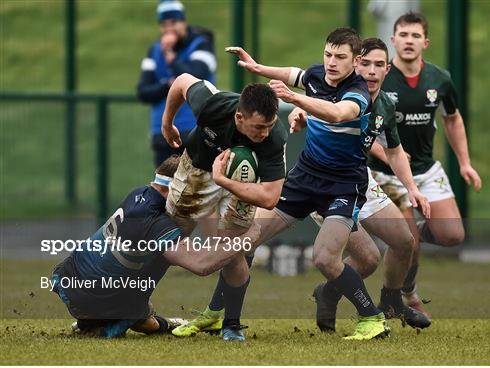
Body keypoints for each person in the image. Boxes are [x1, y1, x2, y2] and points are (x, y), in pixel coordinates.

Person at [177, 28, 428, 341]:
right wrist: (258, 68)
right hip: (304, 179)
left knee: (327, 258)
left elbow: (339, 114)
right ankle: (218, 315)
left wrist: (295, 100)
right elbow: (296, 73)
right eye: (328, 55)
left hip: (342, 186)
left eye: (340, 57)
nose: (332, 62)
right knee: (244, 240)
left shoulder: (359, 92)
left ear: (355, 61)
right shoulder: (319, 75)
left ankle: (373, 317)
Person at [297, 37, 430, 332]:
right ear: (356, 64)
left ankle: (391, 300)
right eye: (366, 63)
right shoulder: (341, 92)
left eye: (378, 65)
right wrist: (300, 113)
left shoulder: (383, 105)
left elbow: (394, 151)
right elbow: (315, 103)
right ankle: (336, 297)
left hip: (359, 178)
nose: (371, 70)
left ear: (388, 70)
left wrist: (413, 188)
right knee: (368, 259)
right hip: (329, 184)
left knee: (404, 241)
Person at [51, 155, 260, 338]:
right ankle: (108, 323)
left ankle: (91, 320)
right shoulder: (155, 223)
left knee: (155, 262)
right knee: (146, 318)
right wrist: (249, 237)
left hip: (65, 280)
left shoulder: (139, 194)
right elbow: (201, 265)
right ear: (175, 190)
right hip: (91, 300)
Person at [368, 12, 482, 317]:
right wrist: (385, 152)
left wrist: (465, 163)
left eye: (415, 36)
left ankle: (414, 233)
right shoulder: (379, 78)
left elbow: (452, 118)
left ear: (425, 42)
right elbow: (360, 126)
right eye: (403, 35)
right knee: (410, 245)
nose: (408, 41)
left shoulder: (440, 79)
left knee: (453, 236)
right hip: (387, 172)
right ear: (393, 40)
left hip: (426, 169)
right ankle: (408, 293)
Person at [161, 74, 288, 341]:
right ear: (239, 117)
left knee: (231, 249)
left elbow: (269, 198)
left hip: (244, 184)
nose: (265, 133)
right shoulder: (214, 105)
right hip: (197, 169)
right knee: (165, 236)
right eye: (259, 127)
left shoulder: (274, 137)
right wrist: (167, 122)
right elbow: (182, 81)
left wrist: (223, 180)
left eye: (270, 125)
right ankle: (132, 308)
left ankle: (231, 323)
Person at [137, 0, 217, 167]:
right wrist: (168, 85)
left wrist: (171, 57)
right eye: (164, 25)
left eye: (173, 23)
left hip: (196, 131)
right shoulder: (154, 51)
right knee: (164, 189)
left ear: (183, 22)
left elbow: (196, 77)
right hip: (163, 133)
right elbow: (144, 91)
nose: (168, 29)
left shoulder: (201, 44)